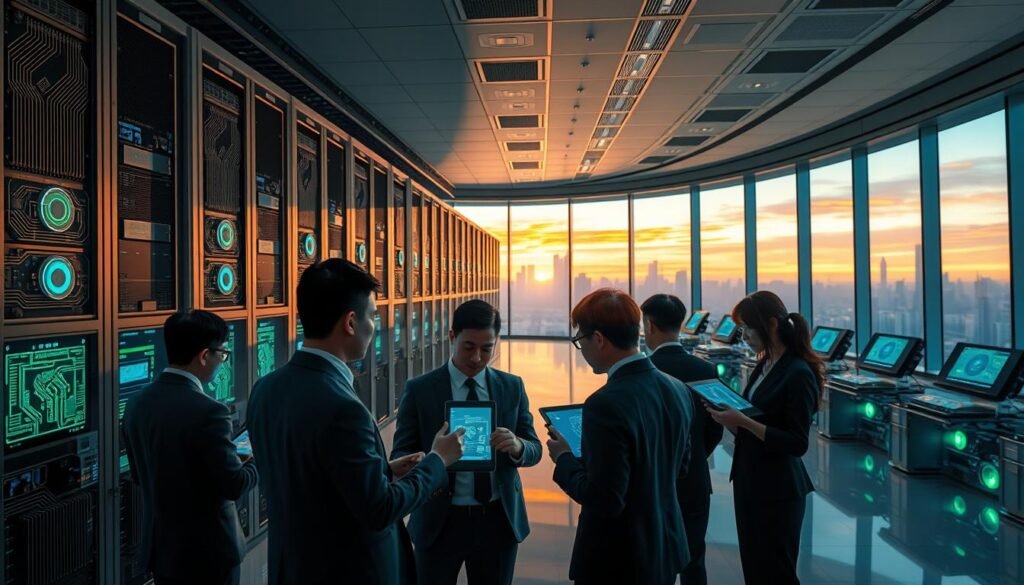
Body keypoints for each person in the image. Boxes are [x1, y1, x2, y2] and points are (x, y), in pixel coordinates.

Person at [247, 259, 465, 585]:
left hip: (292, 566)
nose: (376, 325)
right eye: (373, 316)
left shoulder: (265, 389)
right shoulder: (342, 407)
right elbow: (379, 509)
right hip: (346, 570)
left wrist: (384, 471)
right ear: (350, 322)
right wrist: (437, 460)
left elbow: (306, 476)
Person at [547, 288, 694, 585]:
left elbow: (604, 499)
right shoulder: (677, 388)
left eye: (580, 341)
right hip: (664, 548)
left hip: (619, 561)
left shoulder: (605, 403)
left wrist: (563, 458)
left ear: (599, 339)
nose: (582, 350)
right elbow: (681, 467)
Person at [392, 299, 542, 585]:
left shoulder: (511, 387)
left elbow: (534, 447)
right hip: (440, 521)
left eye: (487, 348)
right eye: (468, 347)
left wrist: (518, 446)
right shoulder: (421, 390)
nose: (477, 358)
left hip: (498, 520)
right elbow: (402, 451)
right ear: (452, 337)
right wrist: (430, 457)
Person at [123, 309, 258, 585]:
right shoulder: (210, 412)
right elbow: (235, 485)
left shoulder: (136, 404)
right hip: (210, 556)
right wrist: (261, 454)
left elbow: (139, 476)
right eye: (222, 353)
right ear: (204, 355)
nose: (222, 360)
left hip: (163, 554)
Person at [705, 291, 823, 585]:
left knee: (776, 571)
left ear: (771, 325)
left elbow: (797, 443)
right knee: (755, 568)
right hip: (750, 479)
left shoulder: (797, 373)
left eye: (747, 328)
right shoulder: (764, 364)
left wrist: (743, 421)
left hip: (778, 489)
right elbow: (757, 421)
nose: (742, 335)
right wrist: (731, 420)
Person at [641, 294, 723, 585]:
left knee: (653, 559)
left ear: (649, 325)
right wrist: (697, 453)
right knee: (693, 559)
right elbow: (717, 426)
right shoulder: (705, 370)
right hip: (695, 481)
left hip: (651, 481)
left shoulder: (643, 373)